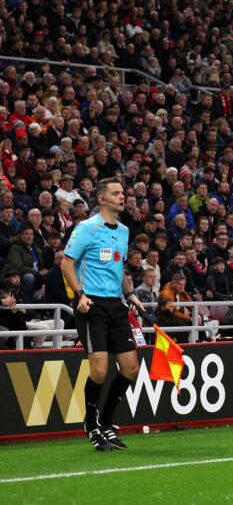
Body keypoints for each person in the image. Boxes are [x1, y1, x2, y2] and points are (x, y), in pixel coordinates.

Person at [61, 178, 144, 452]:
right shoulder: (86, 228)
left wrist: (130, 295)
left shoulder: (123, 230)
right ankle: (91, 424)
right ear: (102, 200)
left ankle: (107, 422)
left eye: (123, 192)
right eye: (117, 193)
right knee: (99, 370)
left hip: (116, 305)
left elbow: (118, 269)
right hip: (91, 305)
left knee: (131, 369)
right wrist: (79, 294)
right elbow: (67, 263)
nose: (123, 197)